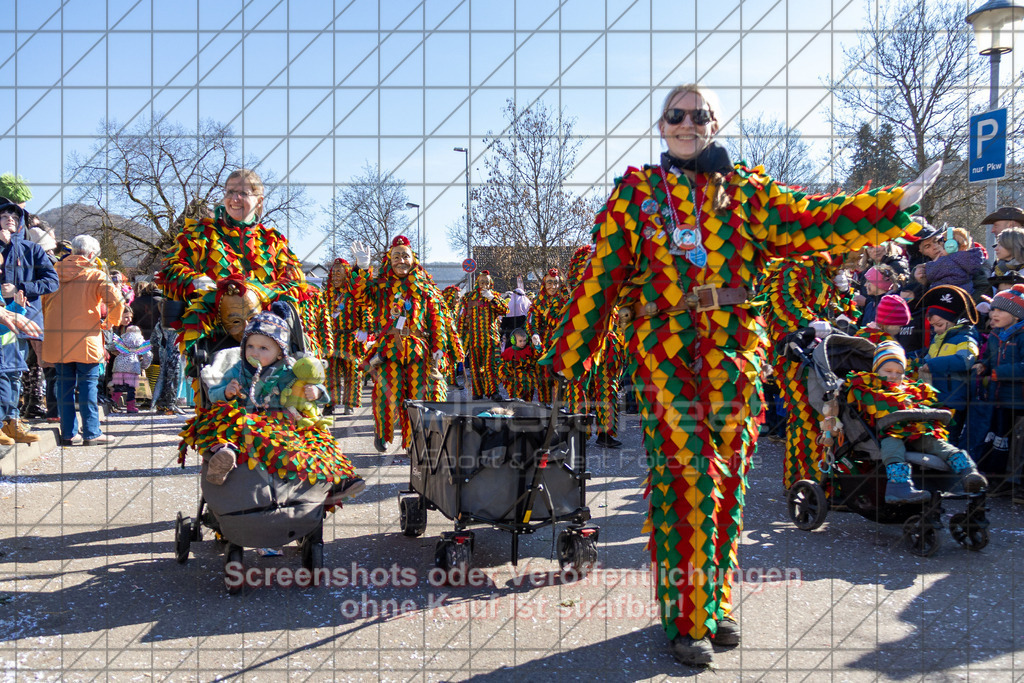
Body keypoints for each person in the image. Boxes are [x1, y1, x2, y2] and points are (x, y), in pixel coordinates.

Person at [539, 83, 941, 665]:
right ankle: (685, 618)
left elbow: (816, 221)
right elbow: (601, 278)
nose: (687, 123)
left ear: (716, 125)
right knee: (686, 477)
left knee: (726, 480)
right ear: (661, 125)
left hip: (734, 353)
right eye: (675, 114)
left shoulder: (747, 193)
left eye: (700, 115)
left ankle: (714, 602)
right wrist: (570, 359)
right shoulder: (637, 195)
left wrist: (890, 205)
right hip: (665, 352)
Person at [189, 312, 363, 503]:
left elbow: (319, 393)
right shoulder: (238, 371)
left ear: (280, 352)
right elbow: (214, 394)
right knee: (226, 422)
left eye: (263, 348)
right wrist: (227, 392)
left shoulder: (289, 370)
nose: (254, 352)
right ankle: (225, 454)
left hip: (284, 423)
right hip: (247, 420)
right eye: (250, 346)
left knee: (318, 440)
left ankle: (338, 479)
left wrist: (317, 392)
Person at [847, 341, 986, 503]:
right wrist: (897, 403)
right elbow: (873, 406)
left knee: (938, 444)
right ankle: (898, 486)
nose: (893, 375)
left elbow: (924, 405)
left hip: (916, 431)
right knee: (893, 447)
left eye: (899, 372)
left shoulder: (910, 389)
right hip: (887, 432)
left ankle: (968, 472)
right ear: (876, 370)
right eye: (888, 371)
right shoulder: (868, 387)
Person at [349, 236, 450, 452]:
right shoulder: (379, 287)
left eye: (405, 256)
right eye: (396, 256)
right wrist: (362, 268)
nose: (401, 260)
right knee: (387, 394)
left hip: (418, 349)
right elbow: (359, 296)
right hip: (388, 350)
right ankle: (382, 431)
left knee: (419, 396)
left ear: (413, 259)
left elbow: (436, 318)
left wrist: (439, 346)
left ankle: (415, 440)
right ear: (389, 260)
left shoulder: (424, 288)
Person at [41, 234, 125, 446]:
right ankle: (91, 432)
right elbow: (117, 302)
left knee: (63, 385)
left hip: (57, 337)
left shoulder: (52, 272)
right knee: (88, 385)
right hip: (86, 340)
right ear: (90, 254)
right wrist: (109, 322)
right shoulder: (95, 275)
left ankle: (69, 433)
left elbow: (43, 304)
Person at [0, 199, 58, 442]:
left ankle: (11, 422)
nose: (10, 218)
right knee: (3, 371)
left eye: (14, 216)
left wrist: (21, 287)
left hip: (23, 318)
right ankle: (5, 421)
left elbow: (52, 281)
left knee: (14, 371)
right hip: (3, 318)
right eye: (4, 215)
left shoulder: (32, 249)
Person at [970, 285, 1024, 496]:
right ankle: (996, 479)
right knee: (999, 440)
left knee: (1017, 445)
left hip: (1018, 401)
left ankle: (1015, 484)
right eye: (993, 310)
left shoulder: (1021, 336)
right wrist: (984, 364)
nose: (994, 314)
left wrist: (998, 373)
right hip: (997, 398)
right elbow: (991, 358)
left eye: (1000, 310)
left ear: (1016, 314)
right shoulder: (995, 335)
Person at [324, 258, 369, 415]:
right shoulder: (327, 296)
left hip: (351, 339)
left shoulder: (354, 294)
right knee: (331, 373)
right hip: (332, 339)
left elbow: (365, 309)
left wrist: (364, 329)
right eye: (333, 273)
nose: (335, 276)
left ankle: (349, 404)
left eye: (339, 273)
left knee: (352, 372)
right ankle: (330, 403)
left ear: (347, 274)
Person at [457, 270, 508, 400]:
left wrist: (492, 298)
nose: (484, 284)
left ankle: (493, 391)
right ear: (477, 283)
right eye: (481, 282)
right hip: (474, 339)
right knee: (475, 367)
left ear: (491, 283)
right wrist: (460, 339)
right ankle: (477, 392)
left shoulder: (494, 296)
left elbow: (505, 310)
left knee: (491, 366)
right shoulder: (468, 297)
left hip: (491, 338)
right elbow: (462, 319)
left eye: (486, 282)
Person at [526, 268, 568, 403]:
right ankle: (545, 404)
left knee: (559, 375)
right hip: (542, 346)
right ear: (544, 284)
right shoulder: (538, 302)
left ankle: (559, 406)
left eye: (555, 283)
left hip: (560, 344)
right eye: (549, 283)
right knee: (543, 377)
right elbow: (532, 322)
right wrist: (534, 335)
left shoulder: (565, 301)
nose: (553, 286)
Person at [913, 227, 985, 294]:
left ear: (951, 245)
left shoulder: (974, 264)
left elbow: (983, 287)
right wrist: (921, 284)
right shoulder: (918, 271)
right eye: (927, 246)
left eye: (936, 241)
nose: (935, 247)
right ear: (921, 251)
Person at [107, 324, 153, 413]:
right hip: (133, 367)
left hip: (119, 367)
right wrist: (143, 366)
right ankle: (130, 407)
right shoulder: (141, 342)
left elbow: (111, 346)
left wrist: (112, 351)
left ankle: (113, 405)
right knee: (131, 389)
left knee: (118, 387)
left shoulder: (122, 340)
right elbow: (148, 355)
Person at [498, 327, 539, 401]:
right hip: (514, 382)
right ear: (513, 340)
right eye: (520, 341)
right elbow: (502, 365)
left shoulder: (529, 349)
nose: (523, 343)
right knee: (516, 402)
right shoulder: (508, 352)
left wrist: (537, 344)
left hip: (528, 381)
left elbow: (538, 354)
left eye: (524, 341)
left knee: (527, 402)